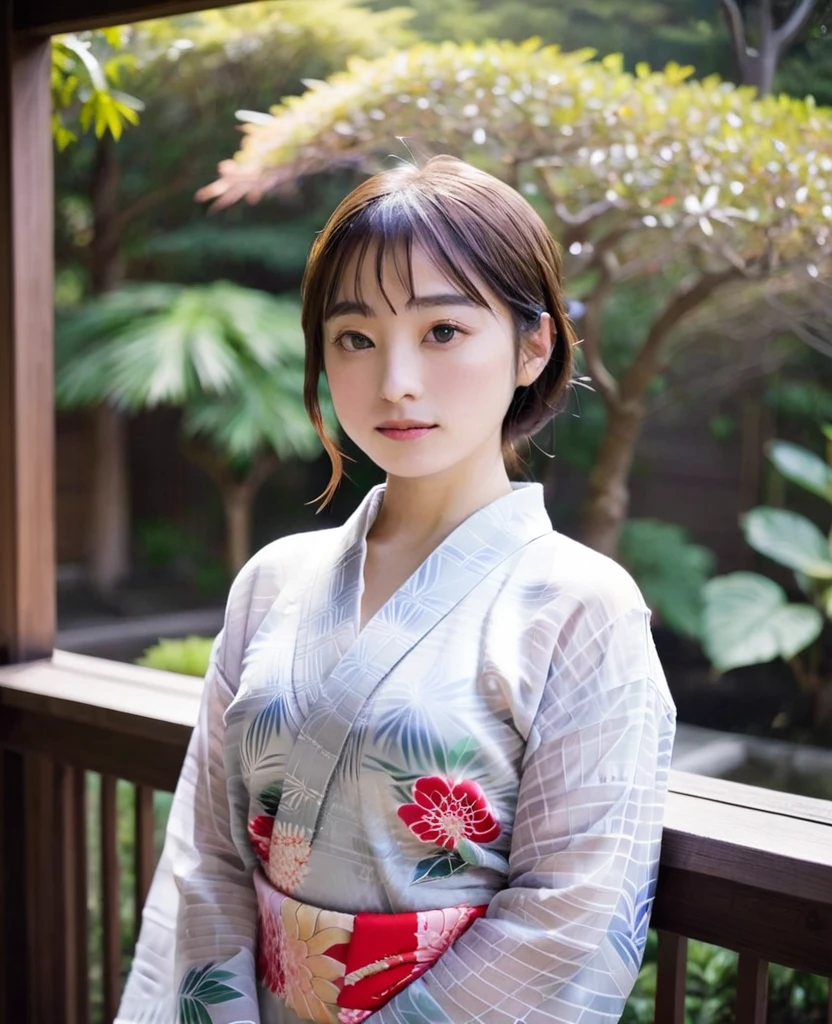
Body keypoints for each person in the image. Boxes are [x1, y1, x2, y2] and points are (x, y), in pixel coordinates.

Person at [117, 155, 676, 1024]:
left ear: (534, 345)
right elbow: (209, 858)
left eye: (443, 331)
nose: (395, 382)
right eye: (355, 338)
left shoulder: (583, 608)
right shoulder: (272, 583)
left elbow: (571, 911)